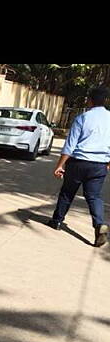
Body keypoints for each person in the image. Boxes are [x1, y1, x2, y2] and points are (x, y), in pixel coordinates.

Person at [48, 87, 110, 247]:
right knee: (94, 197)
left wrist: (60, 165)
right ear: (105, 101)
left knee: (67, 193)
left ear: (90, 100)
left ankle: (56, 221)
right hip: (99, 165)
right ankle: (99, 224)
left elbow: (70, 145)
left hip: (78, 163)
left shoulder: (82, 118)